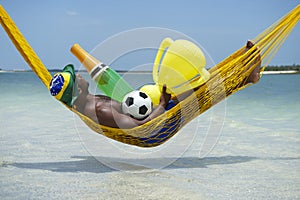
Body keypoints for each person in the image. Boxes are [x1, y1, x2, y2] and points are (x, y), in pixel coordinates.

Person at [49, 41, 261, 129]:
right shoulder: (100, 109)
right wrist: (162, 104)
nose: (81, 76)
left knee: (197, 90)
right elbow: (140, 127)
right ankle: (245, 76)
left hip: (148, 110)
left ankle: (243, 75)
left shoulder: (80, 102)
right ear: (77, 89)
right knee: (199, 94)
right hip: (154, 126)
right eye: (77, 78)